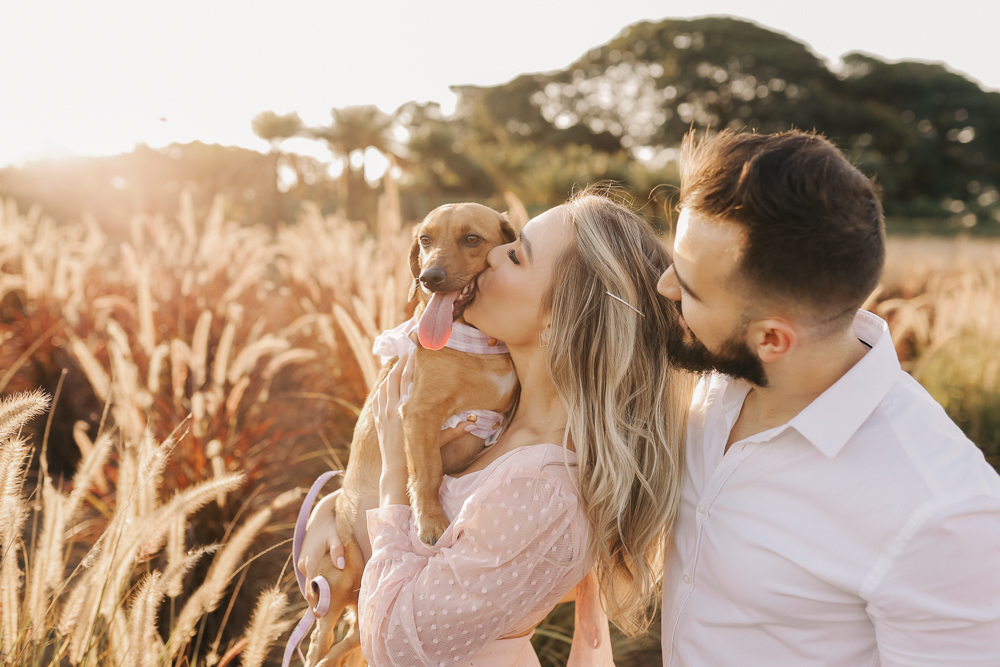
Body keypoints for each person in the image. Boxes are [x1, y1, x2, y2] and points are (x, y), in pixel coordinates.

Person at [299, 191, 694, 665]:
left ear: (560, 318)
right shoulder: (499, 413)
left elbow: (398, 647)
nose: (491, 258)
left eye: (516, 254)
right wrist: (338, 505)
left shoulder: (540, 487)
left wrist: (391, 487)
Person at [656, 129, 1000, 666]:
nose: (664, 287)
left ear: (771, 339)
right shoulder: (716, 376)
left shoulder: (941, 514)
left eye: (689, 286)